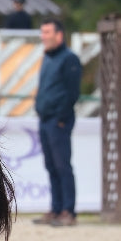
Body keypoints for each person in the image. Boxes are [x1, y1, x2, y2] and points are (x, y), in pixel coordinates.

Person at [32, 18, 82, 227]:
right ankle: (55, 208)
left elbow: (72, 93)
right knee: (51, 166)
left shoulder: (69, 59)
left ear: (59, 35)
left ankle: (68, 210)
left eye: (47, 32)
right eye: (42, 32)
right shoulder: (48, 58)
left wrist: (61, 118)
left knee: (62, 166)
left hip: (58, 121)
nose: (43, 37)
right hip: (45, 120)